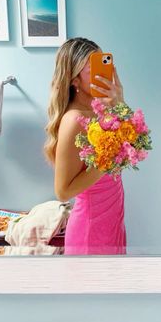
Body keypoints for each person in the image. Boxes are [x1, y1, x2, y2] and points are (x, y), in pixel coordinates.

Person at [44, 37, 127, 255]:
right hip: (90, 232)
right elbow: (63, 191)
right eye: (94, 70)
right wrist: (108, 160)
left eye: (104, 65)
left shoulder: (100, 110)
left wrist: (119, 99)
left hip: (112, 222)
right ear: (74, 80)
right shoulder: (74, 120)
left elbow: (130, 141)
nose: (103, 75)